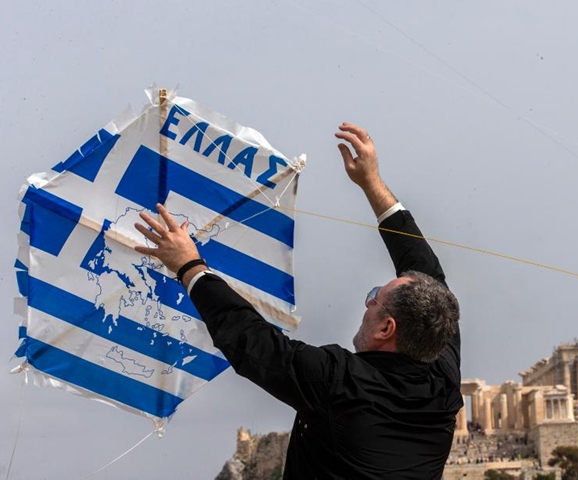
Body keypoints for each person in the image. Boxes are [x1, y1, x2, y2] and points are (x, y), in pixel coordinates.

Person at [134, 122, 462, 479]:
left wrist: (188, 265)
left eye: (374, 299)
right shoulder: (440, 367)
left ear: (387, 327)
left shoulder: (339, 383)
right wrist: (371, 182)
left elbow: (252, 341)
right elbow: (424, 268)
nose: (367, 304)